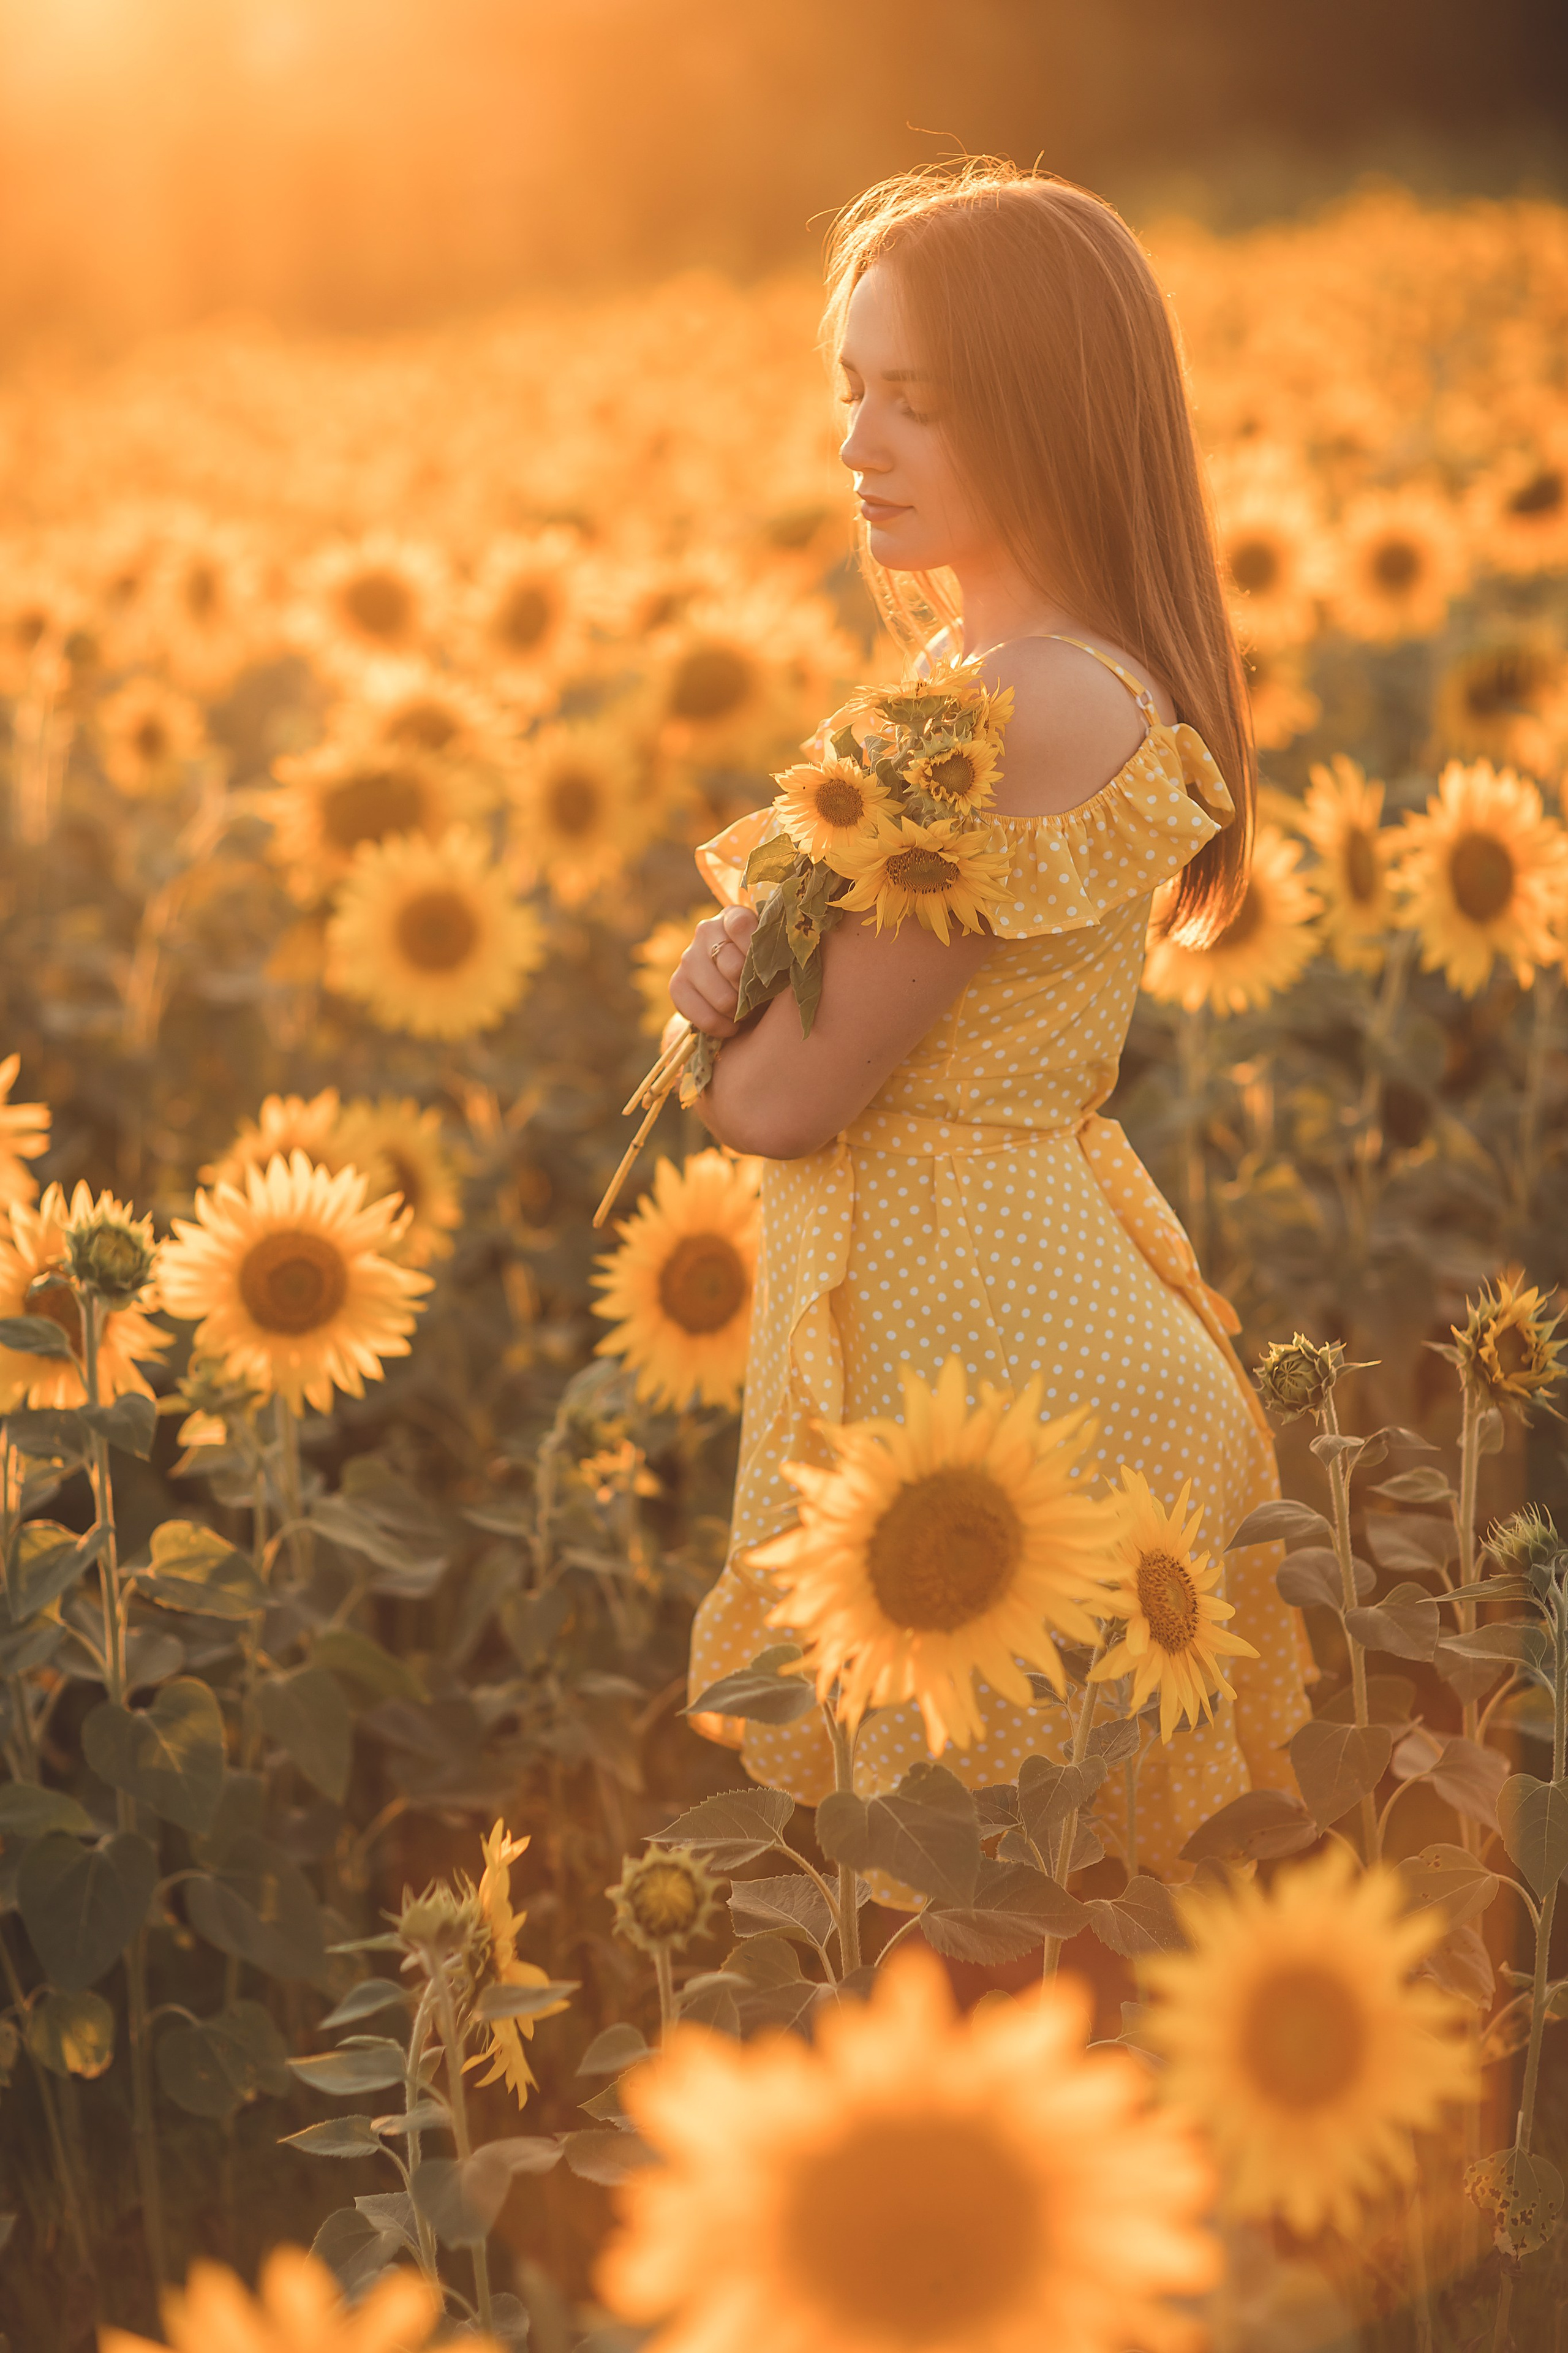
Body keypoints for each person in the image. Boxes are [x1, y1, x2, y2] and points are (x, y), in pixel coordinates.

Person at [665, 161, 1312, 1878]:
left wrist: (735, 1032)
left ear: (1043, 413)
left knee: (1021, 1930)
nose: (862, 442)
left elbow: (790, 1099)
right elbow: (809, 1027)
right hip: (1012, 1350)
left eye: (921, 404)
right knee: (1046, 1944)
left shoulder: (1012, 711)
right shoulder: (1011, 676)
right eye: (852, 392)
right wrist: (731, 971)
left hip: (1020, 1399)